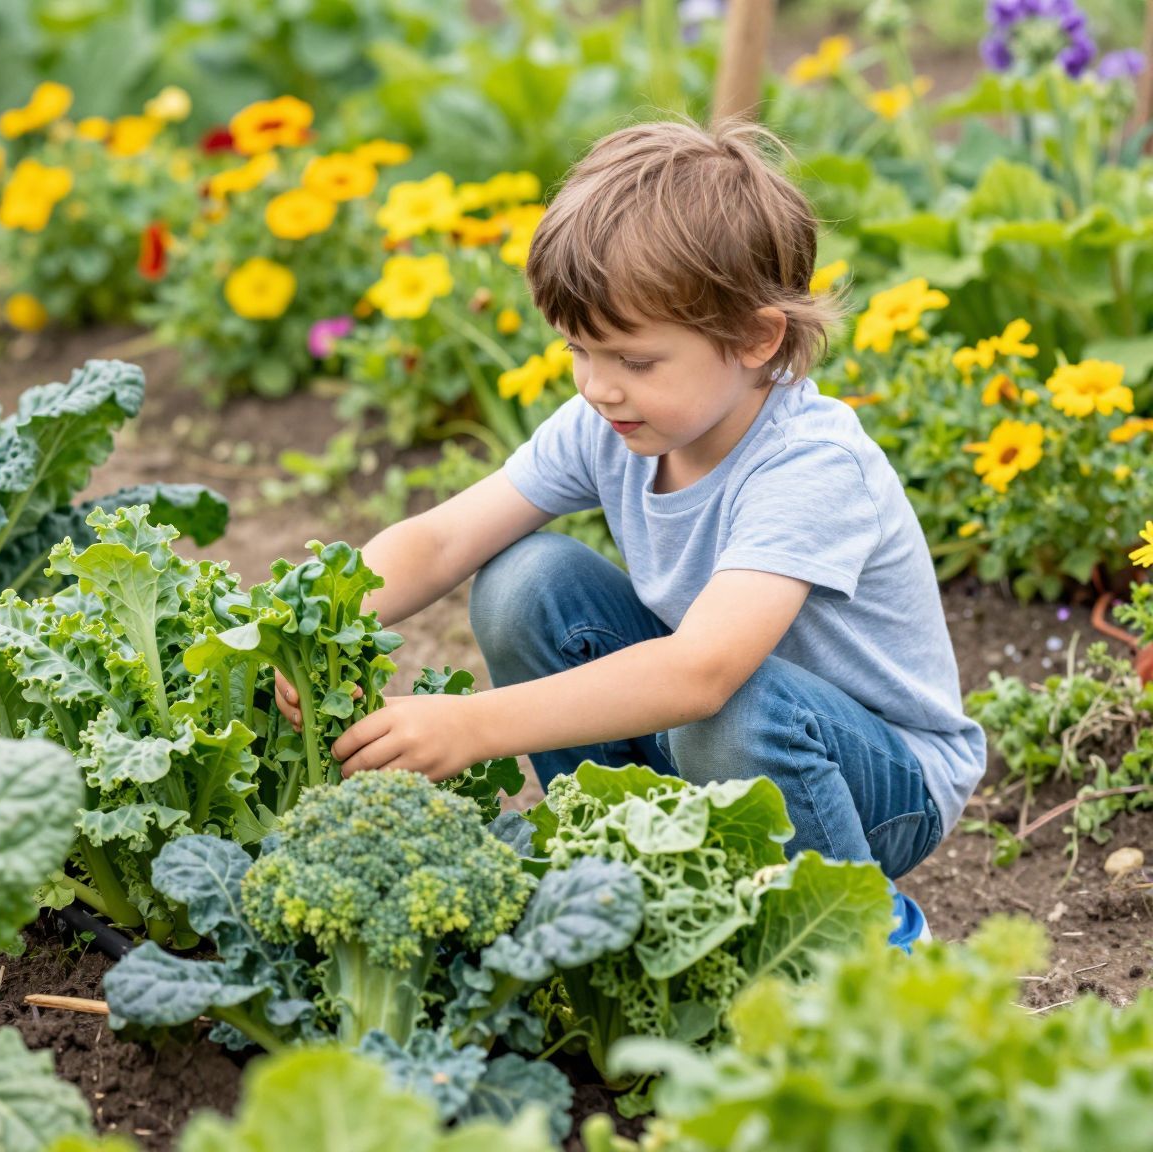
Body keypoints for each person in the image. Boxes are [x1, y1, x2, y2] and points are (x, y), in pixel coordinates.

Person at [276, 117, 982, 949]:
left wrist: (470, 725)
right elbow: (441, 542)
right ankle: (622, 873)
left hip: (878, 781)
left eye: (637, 362)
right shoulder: (611, 422)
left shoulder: (810, 467)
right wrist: (316, 622)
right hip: (714, 729)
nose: (600, 387)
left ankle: (863, 935)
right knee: (523, 583)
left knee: (731, 709)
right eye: (580, 349)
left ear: (758, 339)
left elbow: (703, 673)